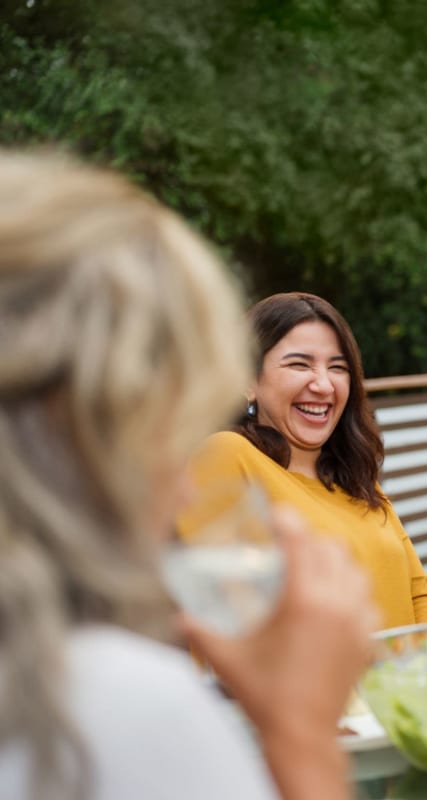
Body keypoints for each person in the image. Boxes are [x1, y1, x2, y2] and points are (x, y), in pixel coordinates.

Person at [0, 151, 378, 800]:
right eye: (167, 428)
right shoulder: (107, 704)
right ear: (81, 427)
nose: (182, 488)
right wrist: (301, 735)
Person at [184, 292, 427, 630]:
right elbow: (222, 621)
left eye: (338, 367)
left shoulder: (356, 477)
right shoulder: (226, 456)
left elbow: (419, 595)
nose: (323, 385)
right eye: (299, 364)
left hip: (411, 680)